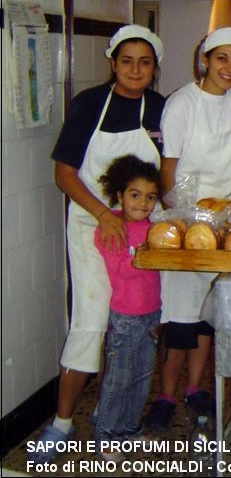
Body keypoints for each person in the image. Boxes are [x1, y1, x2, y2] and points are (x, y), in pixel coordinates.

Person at [29, 25, 166, 463]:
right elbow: (64, 174)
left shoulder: (161, 109)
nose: (135, 70)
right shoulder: (89, 104)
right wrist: (106, 215)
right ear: (113, 64)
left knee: (136, 326)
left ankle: (119, 422)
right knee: (91, 319)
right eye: (126, 61)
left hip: (143, 227)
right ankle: (62, 423)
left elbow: (171, 171)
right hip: (94, 223)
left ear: (154, 68)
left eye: (145, 62)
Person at [144, 27, 231, 432]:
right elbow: (167, 173)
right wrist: (186, 221)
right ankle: (166, 396)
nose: (230, 68)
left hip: (220, 220)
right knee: (180, 318)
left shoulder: (230, 102)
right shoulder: (182, 104)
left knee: (207, 315)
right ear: (204, 60)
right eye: (222, 58)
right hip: (183, 221)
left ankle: (194, 388)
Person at [93, 155, 162, 461]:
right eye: (135, 195)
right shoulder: (112, 228)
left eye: (150, 197)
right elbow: (121, 269)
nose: (143, 203)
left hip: (150, 312)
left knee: (143, 376)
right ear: (120, 195)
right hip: (125, 318)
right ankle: (105, 436)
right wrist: (147, 253)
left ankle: (129, 429)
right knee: (119, 379)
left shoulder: (154, 228)